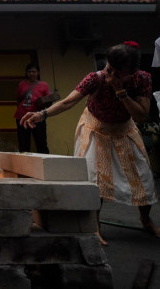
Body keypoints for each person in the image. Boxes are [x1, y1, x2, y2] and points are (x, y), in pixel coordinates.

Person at [21, 41, 160, 245]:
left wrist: (120, 91)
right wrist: (42, 114)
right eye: (107, 66)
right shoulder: (95, 79)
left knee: (143, 178)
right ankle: (95, 226)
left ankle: (146, 219)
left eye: (114, 71)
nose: (108, 72)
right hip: (96, 128)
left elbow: (140, 115)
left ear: (130, 72)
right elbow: (68, 101)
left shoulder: (142, 80)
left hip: (124, 128)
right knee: (95, 181)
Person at [14, 63, 50, 153]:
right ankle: (23, 165)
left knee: (41, 143)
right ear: (26, 73)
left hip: (38, 118)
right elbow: (18, 100)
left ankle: (45, 163)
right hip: (22, 118)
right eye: (29, 72)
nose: (31, 74)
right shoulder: (22, 84)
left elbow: (48, 102)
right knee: (23, 143)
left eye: (34, 72)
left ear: (38, 73)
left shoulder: (44, 85)